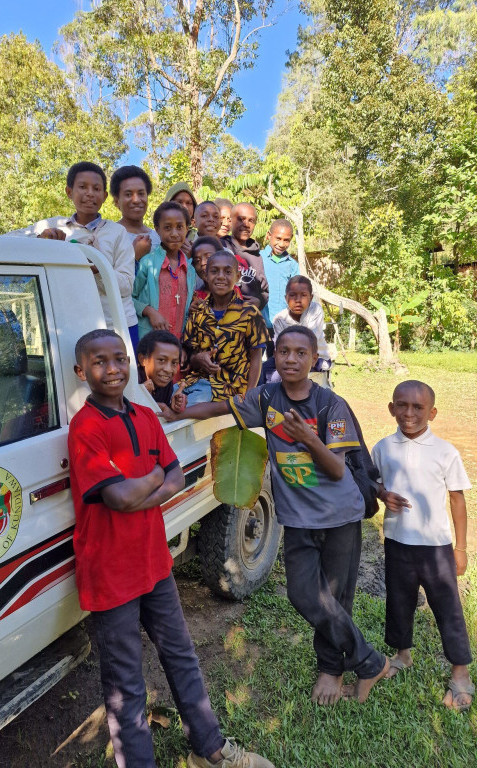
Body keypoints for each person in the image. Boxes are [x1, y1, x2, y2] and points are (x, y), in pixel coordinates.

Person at [69, 328, 275, 768]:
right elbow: (118, 498)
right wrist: (152, 479)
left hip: (153, 561)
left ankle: (210, 750)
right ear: (80, 371)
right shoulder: (86, 427)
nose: (112, 369)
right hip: (111, 572)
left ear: (130, 363)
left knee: (181, 654)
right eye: (99, 362)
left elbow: (176, 476)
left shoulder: (145, 416)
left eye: (119, 359)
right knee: (126, 684)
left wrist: (140, 487)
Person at [160, 325, 389, 705]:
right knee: (303, 594)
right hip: (297, 517)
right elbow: (222, 408)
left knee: (334, 598)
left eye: (301, 353)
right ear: (274, 356)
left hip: (339, 516)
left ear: (314, 359)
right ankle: (370, 661)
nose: (291, 359)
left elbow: (337, 469)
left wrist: (308, 437)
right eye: (284, 351)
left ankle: (331, 670)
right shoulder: (267, 397)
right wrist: (177, 413)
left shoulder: (331, 405)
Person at [372, 380, 474, 711]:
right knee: (398, 602)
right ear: (391, 408)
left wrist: (460, 549)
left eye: (418, 407)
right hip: (397, 542)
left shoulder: (445, 451)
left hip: (435, 547)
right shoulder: (383, 448)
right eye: (402, 405)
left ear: (432, 412)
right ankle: (402, 655)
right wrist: (382, 494)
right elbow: (374, 483)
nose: (409, 413)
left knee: (448, 608)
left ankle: (461, 673)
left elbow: (457, 500)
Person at [6, 161, 138, 348]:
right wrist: (40, 238)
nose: (90, 193)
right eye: (82, 187)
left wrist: (97, 268)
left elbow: (126, 286)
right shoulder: (55, 225)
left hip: (117, 325)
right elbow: (8, 239)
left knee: (124, 367)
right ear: (69, 192)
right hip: (73, 324)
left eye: (96, 188)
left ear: (104, 196)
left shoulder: (117, 232)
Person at [181, 250, 268, 405]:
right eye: (214, 271)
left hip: (230, 389)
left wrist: (248, 396)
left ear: (238, 277)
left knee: (185, 406)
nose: (221, 276)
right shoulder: (198, 312)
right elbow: (190, 356)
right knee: (165, 398)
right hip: (197, 382)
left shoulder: (249, 313)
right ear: (205, 276)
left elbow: (256, 357)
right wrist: (198, 359)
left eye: (228, 272)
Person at [132, 201, 196, 340]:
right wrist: (149, 311)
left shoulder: (190, 270)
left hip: (177, 342)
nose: (174, 234)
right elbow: (128, 297)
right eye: (167, 228)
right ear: (157, 230)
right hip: (149, 339)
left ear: (187, 229)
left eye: (179, 227)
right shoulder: (147, 263)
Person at [272, 276, 331, 372]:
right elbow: (280, 348)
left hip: (315, 359)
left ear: (311, 298)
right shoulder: (279, 319)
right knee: (265, 369)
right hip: (288, 360)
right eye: (292, 295)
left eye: (303, 295)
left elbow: (309, 344)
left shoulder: (315, 310)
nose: (298, 300)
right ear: (286, 298)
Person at [220, 202, 269, 311]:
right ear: (230, 221)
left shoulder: (257, 257)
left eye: (251, 220)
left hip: (249, 316)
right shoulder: (221, 247)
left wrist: (259, 301)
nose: (246, 224)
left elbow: (264, 291)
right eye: (241, 219)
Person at [110, 165, 160, 263]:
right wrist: (135, 256)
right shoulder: (109, 235)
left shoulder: (158, 237)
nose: (136, 200)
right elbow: (104, 271)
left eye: (141, 193)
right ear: (116, 201)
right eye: (128, 194)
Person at [137, 330, 187, 413]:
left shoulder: (165, 383)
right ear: (143, 360)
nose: (168, 369)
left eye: (174, 363)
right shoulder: (132, 382)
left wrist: (172, 408)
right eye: (161, 360)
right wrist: (140, 395)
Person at [261, 219, 299, 328]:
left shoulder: (292, 265)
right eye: (278, 238)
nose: (281, 244)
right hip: (260, 325)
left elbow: (297, 294)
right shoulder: (258, 258)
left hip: (284, 325)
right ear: (269, 235)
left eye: (286, 240)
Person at [165, 181, 198, 256]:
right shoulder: (156, 237)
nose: (185, 207)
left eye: (189, 203)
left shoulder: (199, 239)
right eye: (179, 202)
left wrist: (192, 257)